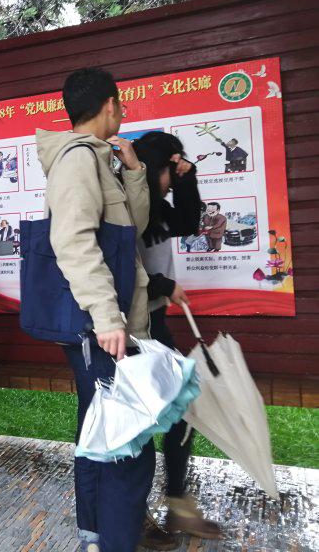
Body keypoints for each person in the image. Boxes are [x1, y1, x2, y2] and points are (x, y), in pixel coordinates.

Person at [35, 68, 154, 552]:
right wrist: (107, 317)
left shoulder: (100, 160)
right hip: (101, 329)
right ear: (110, 104)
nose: (121, 111)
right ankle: (112, 539)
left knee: (101, 430)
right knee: (128, 447)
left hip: (108, 325)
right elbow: (73, 242)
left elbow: (130, 232)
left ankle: (96, 534)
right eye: (120, 104)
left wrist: (135, 172)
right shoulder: (77, 160)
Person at [132, 133, 222, 549]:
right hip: (129, 329)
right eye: (171, 169)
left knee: (182, 408)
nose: (172, 179)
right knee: (136, 423)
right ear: (155, 169)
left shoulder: (158, 205)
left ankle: (177, 502)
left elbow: (187, 223)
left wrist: (188, 178)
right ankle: (133, 513)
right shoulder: (126, 205)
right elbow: (115, 267)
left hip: (155, 320)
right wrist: (163, 284)